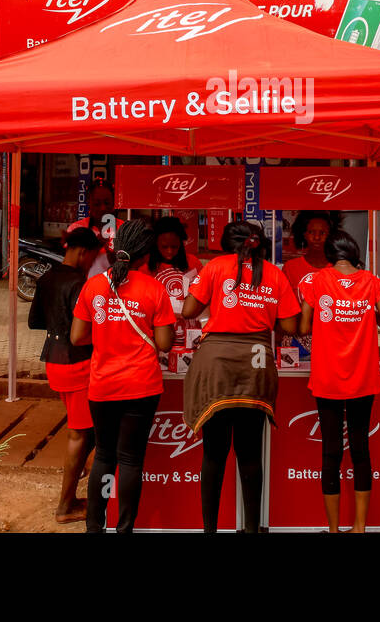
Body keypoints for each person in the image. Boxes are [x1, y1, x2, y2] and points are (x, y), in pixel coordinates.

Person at [182, 221, 300, 533]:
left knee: (213, 454)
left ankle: (210, 530)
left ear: (225, 243)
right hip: (257, 364)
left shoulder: (215, 268)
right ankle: (250, 528)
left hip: (215, 363)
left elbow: (189, 309)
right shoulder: (274, 273)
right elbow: (290, 326)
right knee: (249, 453)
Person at [71, 218, 176, 533]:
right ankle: (125, 528)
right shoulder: (154, 288)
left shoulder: (94, 285)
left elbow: (77, 337)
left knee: (104, 455)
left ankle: (94, 527)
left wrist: (106, 332)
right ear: (146, 256)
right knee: (130, 460)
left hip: (103, 385)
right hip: (142, 385)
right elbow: (164, 344)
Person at [296, 231, 380, 533]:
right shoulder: (371, 282)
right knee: (360, 450)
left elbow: (303, 326)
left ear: (330, 253)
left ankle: (333, 530)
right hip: (362, 378)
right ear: (353, 251)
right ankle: (359, 528)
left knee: (330, 452)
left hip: (327, 377)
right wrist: (368, 315)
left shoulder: (316, 281)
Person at [27, 226, 104, 523]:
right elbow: (80, 334)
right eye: (92, 257)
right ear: (83, 252)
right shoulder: (79, 283)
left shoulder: (47, 278)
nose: (90, 262)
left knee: (86, 432)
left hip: (53, 361)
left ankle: (73, 498)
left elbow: (35, 321)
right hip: (78, 365)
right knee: (80, 435)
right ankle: (65, 506)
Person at [69, 179, 123, 278]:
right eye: (97, 203)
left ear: (114, 203)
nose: (102, 208)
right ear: (89, 203)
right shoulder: (77, 229)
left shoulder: (123, 229)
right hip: (84, 288)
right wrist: (94, 247)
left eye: (107, 203)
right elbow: (70, 267)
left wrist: (109, 251)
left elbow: (130, 266)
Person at [282, 210, 337, 288]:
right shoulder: (290, 268)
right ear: (304, 235)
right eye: (311, 232)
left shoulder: (338, 267)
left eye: (322, 233)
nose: (317, 237)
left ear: (330, 235)